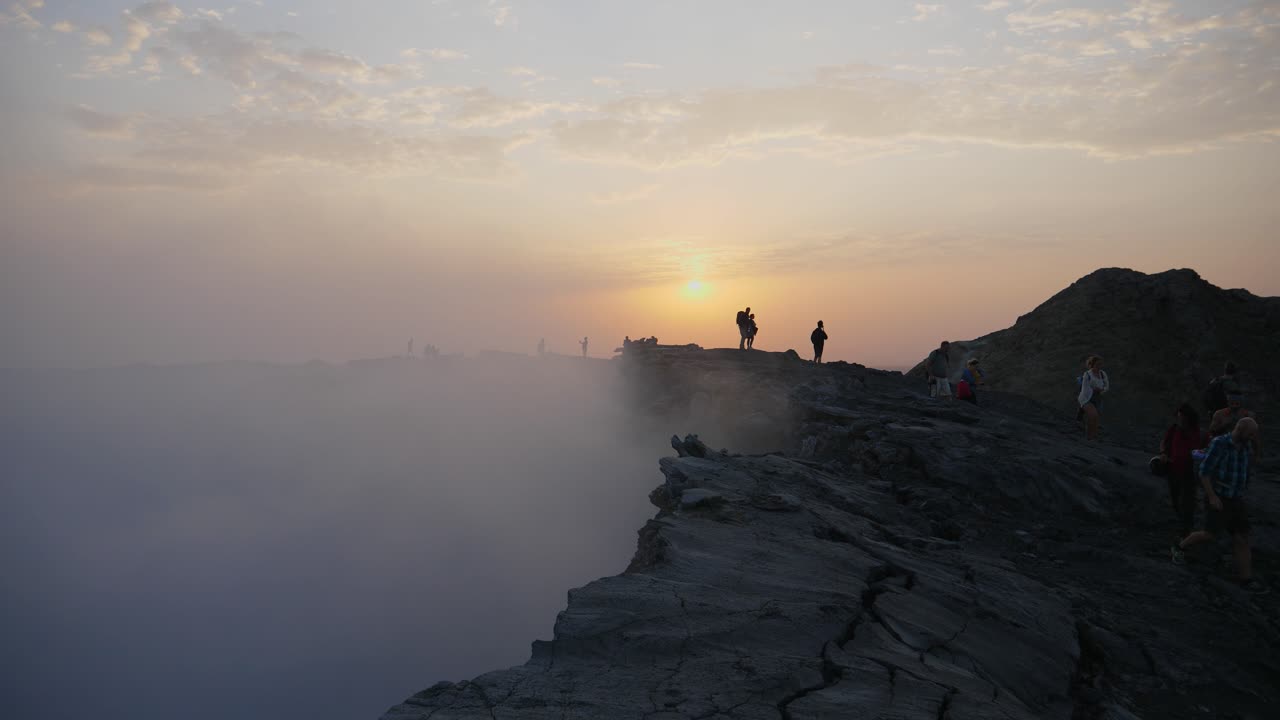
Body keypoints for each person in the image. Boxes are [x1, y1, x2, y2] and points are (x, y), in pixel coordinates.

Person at [1172, 418, 1267, 595]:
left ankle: (1246, 579)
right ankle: (1180, 546)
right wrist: (1212, 496)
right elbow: (1204, 472)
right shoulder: (1219, 444)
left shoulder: (1246, 445)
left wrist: (1256, 444)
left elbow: (1253, 460)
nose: (1253, 437)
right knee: (1209, 534)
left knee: (1242, 538)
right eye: (1251, 433)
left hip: (1236, 498)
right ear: (1240, 429)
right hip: (1220, 497)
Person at [1160, 404, 1207, 543]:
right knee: (1175, 499)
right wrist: (1163, 453)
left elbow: (1208, 449)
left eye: (1182, 417)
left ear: (1189, 418)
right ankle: (1184, 525)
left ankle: (1186, 531)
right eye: (1178, 416)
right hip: (1172, 470)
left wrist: (1201, 455)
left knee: (1187, 502)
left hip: (1189, 473)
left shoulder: (1199, 433)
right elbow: (1164, 442)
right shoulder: (1174, 429)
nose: (1179, 419)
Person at [1077, 355, 1109, 441]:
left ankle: (1094, 436)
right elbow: (1085, 388)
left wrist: (1102, 390)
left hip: (1098, 398)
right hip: (1086, 397)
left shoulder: (1102, 374)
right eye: (1097, 364)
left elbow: (1107, 386)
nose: (1099, 366)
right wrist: (1094, 389)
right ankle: (1089, 437)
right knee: (1093, 415)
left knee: (1096, 418)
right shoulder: (1087, 374)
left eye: (1100, 364)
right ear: (1092, 364)